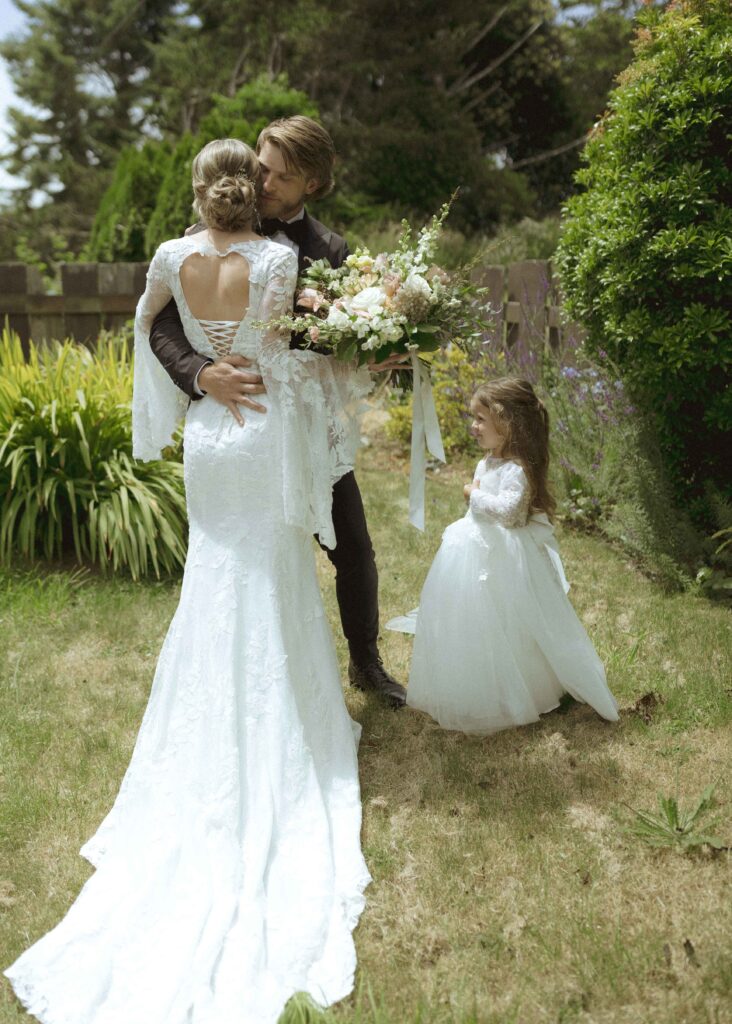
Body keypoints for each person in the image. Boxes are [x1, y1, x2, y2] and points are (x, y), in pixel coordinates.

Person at [4, 138, 373, 1024]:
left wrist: (206, 379)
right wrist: (247, 368)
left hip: (210, 440)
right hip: (261, 431)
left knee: (214, 579)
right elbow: (289, 357)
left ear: (202, 191)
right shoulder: (281, 261)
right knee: (273, 573)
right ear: (252, 189)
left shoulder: (171, 256)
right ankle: (294, 707)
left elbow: (147, 320)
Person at [148, 115, 406, 707]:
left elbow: (335, 341)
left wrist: (374, 347)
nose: (261, 182)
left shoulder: (330, 250)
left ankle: (366, 664)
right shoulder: (207, 231)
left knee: (353, 547)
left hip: (310, 425)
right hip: (237, 421)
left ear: (311, 185)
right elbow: (162, 325)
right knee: (246, 550)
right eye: (261, 166)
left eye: (280, 177)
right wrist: (200, 373)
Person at [388, 378, 619, 734]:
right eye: (473, 418)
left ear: (507, 423)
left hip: (505, 554)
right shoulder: (487, 462)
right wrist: (475, 493)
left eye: (481, 419)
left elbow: (511, 513)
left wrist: (472, 495)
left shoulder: (518, 469)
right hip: (471, 546)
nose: (473, 426)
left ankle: (520, 687)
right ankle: (471, 683)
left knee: (510, 621)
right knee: (471, 618)